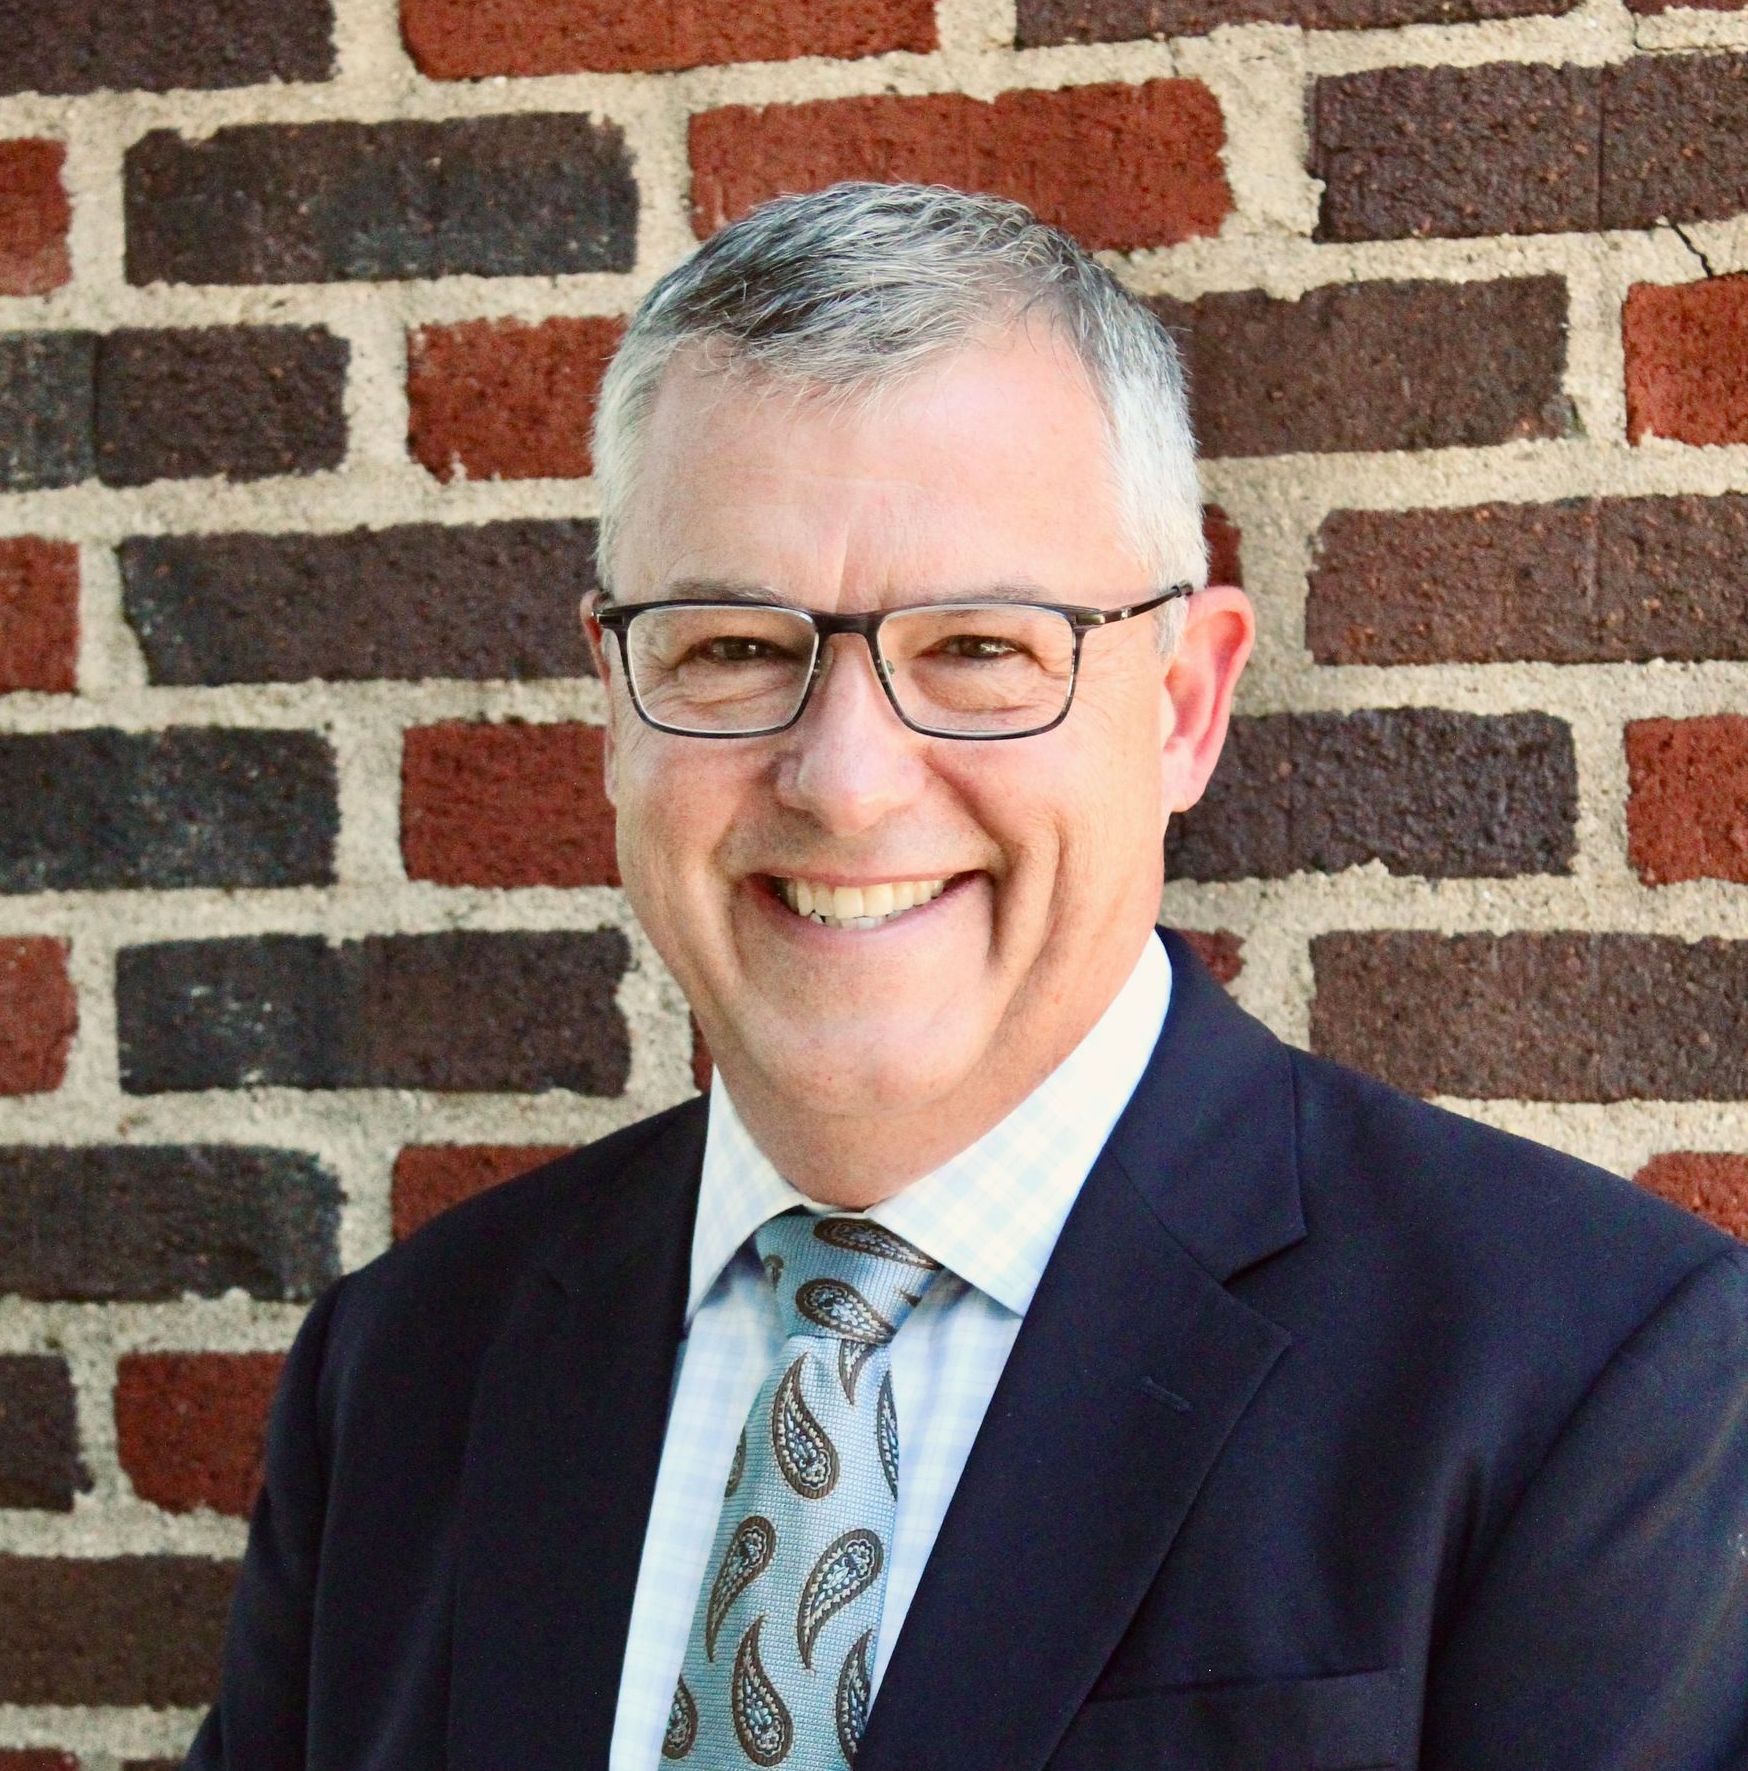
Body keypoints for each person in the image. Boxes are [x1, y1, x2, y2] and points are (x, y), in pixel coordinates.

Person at [185, 183, 1748, 1771]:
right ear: (615, 700)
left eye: (982, 649)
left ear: (1183, 705)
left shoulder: (1578, 1379)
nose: (847, 783)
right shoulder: (404, 1372)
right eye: (732, 648)